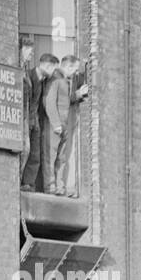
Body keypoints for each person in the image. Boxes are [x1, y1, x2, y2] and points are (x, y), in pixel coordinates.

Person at [48, 56, 89, 197]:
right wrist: (56, 123)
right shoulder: (55, 79)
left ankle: (60, 185)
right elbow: (49, 102)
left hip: (64, 124)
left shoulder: (65, 80)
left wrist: (79, 94)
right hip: (56, 125)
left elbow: (67, 100)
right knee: (51, 155)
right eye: (75, 70)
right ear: (68, 67)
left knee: (62, 157)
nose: (76, 73)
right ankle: (51, 186)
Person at [22, 52, 58, 191]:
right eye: (53, 68)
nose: (54, 72)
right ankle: (21, 181)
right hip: (26, 120)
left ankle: (28, 183)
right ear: (48, 66)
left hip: (35, 121)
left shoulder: (44, 81)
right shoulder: (29, 76)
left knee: (35, 154)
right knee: (25, 151)